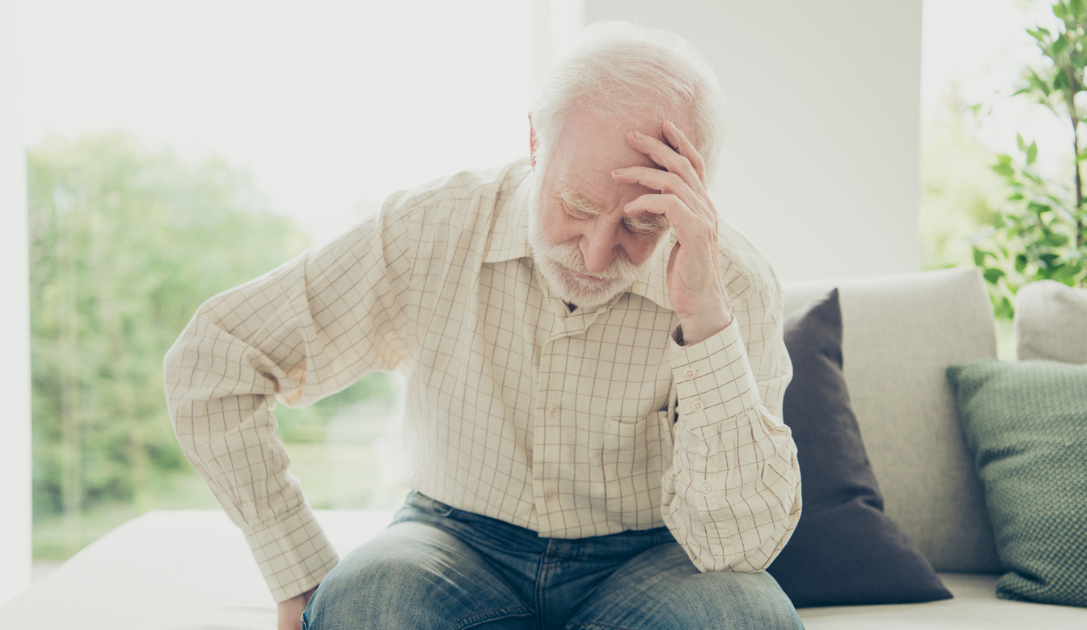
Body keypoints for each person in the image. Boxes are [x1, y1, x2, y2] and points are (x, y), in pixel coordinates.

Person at [164, 21, 803, 630]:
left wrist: (704, 320)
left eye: (641, 222)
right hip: (452, 536)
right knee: (367, 603)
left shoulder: (735, 283)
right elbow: (213, 360)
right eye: (577, 204)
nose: (595, 252)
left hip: (654, 555)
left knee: (743, 619)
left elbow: (738, 547)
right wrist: (296, 568)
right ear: (534, 144)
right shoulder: (428, 230)